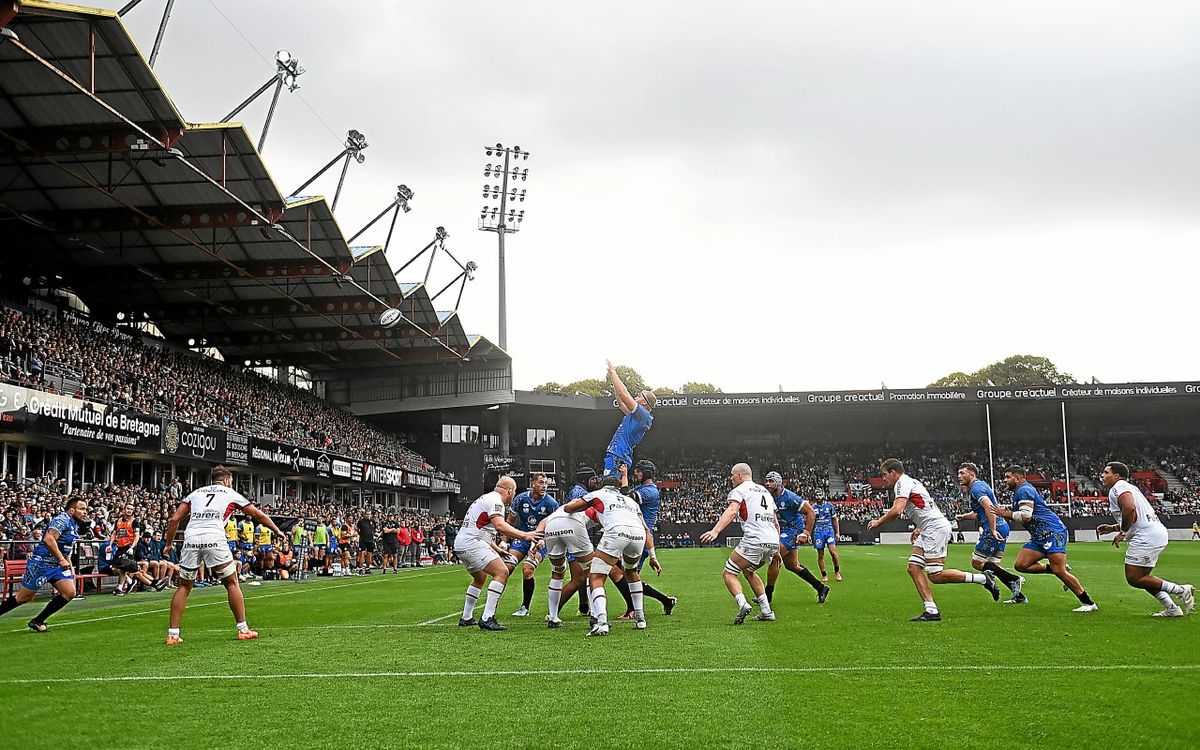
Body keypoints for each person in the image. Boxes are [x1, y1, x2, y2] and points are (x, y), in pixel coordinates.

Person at [163, 465, 285, 644]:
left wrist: (168, 544)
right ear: (227, 480)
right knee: (231, 582)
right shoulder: (230, 494)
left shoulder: (195, 493)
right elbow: (258, 515)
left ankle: (173, 634)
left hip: (191, 538)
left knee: (184, 586)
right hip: (214, 537)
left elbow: (174, 519)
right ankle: (243, 629)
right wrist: (276, 530)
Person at [867, 458, 1000, 621]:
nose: (883, 478)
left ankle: (982, 578)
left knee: (935, 575)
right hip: (929, 527)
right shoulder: (911, 482)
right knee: (914, 568)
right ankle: (931, 610)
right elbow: (927, 506)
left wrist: (879, 522)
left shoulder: (902, 483)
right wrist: (920, 526)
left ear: (893, 473)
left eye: (884, 474)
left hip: (935, 528)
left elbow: (897, 510)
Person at [993, 465, 1097, 613]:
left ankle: (1089, 603)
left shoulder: (1024, 490)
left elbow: (1026, 516)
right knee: (1021, 565)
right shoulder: (1019, 491)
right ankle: (1057, 568)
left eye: (1008, 477)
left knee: (1059, 571)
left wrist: (1004, 513)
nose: (1004, 480)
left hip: (1052, 533)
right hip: (1038, 536)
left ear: (1018, 478)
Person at [1097, 461, 1194, 617]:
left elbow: (1130, 509)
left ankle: (1181, 590)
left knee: (1134, 578)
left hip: (1146, 536)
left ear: (1116, 475)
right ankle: (1172, 609)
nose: (1102, 475)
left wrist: (1122, 531)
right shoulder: (1129, 487)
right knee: (1144, 578)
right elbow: (1135, 516)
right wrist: (1113, 528)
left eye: (1106, 472)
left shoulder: (1119, 487)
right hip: (1154, 532)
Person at [561, 473, 650, 636]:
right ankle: (640, 618)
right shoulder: (630, 501)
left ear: (603, 485)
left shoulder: (598, 494)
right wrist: (652, 554)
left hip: (617, 531)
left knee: (596, 577)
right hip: (638, 534)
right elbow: (644, 526)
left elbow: (570, 508)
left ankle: (601, 622)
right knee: (631, 572)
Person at [454, 477, 542, 631]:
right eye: (513, 492)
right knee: (502, 572)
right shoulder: (496, 501)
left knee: (480, 578)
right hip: (472, 543)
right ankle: (487, 618)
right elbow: (500, 525)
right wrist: (525, 535)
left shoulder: (485, 498)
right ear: (509, 491)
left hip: (462, 543)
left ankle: (466, 617)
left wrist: (496, 548)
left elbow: (481, 529)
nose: (513, 496)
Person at [700, 463, 779, 624]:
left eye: (732, 475)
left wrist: (715, 531)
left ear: (740, 476)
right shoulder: (765, 492)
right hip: (772, 540)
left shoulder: (740, 490)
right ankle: (766, 610)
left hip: (755, 539)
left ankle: (742, 603)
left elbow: (732, 510)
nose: (731, 478)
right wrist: (776, 547)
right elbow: (776, 522)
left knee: (729, 573)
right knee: (748, 571)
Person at [0, 496, 88, 632]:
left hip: (57, 566)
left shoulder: (74, 524)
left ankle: (38, 621)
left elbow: (66, 547)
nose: (85, 512)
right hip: (41, 563)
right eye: (82, 509)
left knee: (69, 592)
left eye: (85, 509)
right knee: (23, 597)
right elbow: (48, 539)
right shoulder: (61, 520)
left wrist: (68, 564)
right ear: (71, 510)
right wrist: (61, 559)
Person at [954, 463, 1025, 604]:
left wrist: (992, 529)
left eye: (962, 473)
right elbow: (980, 512)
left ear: (972, 475)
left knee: (977, 562)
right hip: (1002, 526)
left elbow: (989, 507)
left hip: (993, 528)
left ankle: (1013, 579)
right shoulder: (980, 486)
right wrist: (963, 516)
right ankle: (1019, 596)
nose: (959, 476)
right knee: (995, 566)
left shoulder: (976, 488)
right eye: (959, 473)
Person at [763, 471, 829, 605]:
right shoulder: (768, 497)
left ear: (779, 482)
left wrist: (806, 533)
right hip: (781, 530)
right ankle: (821, 587)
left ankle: (766, 596)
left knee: (775, 555)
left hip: (793, 530)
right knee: (793, 566)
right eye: (766, 481)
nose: (767, 483)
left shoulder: (790, 497)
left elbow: (810, 512)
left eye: (771, 481)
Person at [623, 460, 674, 614]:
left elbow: (625, 497)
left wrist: (624, 476)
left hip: (642, 538)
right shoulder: (643, 488)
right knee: (627, 575)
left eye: (638, 471)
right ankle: (665, 601)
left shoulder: (649, 491)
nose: (636, 474)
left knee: (629, 577)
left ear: (646, 473)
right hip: (636, 536)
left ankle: (633, 610)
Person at [537, 497, 596, 628]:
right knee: (591, 572)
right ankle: (595, 615)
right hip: (572, 524)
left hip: (551, 525)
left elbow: (543, 521)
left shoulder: (564, 506)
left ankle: (553, 618)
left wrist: (537, 539)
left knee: (557, 572)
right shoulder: (597, 505)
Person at [508, 472, 559, 618]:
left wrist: (544, 540)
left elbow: (555, 526)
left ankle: (525, 607)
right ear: (533, 484)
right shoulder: (520, 499)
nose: (544, 486)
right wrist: (504, 541)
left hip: (540, 541)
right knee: (506, 567)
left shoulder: (551, 504)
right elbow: (510, 522)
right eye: (541, 482)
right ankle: (492, 605)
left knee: (527, 569)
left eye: (546, 483)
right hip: (522, 537)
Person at [602, 359, 657, 478]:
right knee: (610, 487)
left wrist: (612, 371)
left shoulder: (643, 415)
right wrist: (614, 382)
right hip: (618, 454)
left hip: (618, 455)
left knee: (610, 488)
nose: (636, 396)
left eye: (639, 395)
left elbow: (624, 394)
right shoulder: (638, 416)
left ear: (644, 403)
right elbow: (621, 403)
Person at [811, 495, 842, 582]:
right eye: (817, 495)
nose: (818, 497)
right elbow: (811, 520)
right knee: (820, 555)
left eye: (820, 495)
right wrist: (808, 534)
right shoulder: (813, 507)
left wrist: (837, 533)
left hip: (829, 531)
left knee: (833, 552)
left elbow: (835, 519)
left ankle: (837, 572)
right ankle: (824, 575)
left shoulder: (830, 506)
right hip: (818, 532)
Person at [356, 510, 376, 574]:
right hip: (363, 540)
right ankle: (361, 568)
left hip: (370, 540)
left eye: (369, 514)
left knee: (369, 554)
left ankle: (367, 568)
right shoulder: (361, 521)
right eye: (367, 514)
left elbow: (374, 529)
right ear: (364, 514)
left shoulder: (373, 521)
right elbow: (357, 530)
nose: (368, 515)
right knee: (362, 553)